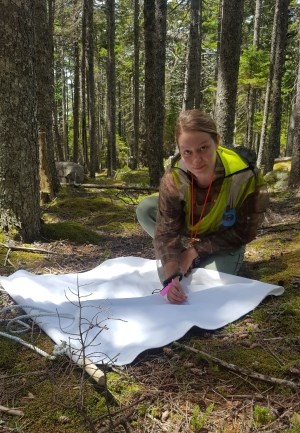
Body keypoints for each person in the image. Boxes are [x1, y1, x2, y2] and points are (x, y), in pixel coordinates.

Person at [136, 109, 268, 304]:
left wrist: (193, 252)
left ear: (217, 141)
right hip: (191, 226)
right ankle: (180, 255)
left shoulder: (244, 174)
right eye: (187, 152)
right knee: (146, 209)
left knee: (210, 281)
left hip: (225, 235)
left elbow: (244, 232)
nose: (196, 160)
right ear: (180, 150)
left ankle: (193, 255)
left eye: (203, 148)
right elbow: (166, 231)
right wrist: (171, 277)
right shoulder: (174, 176)